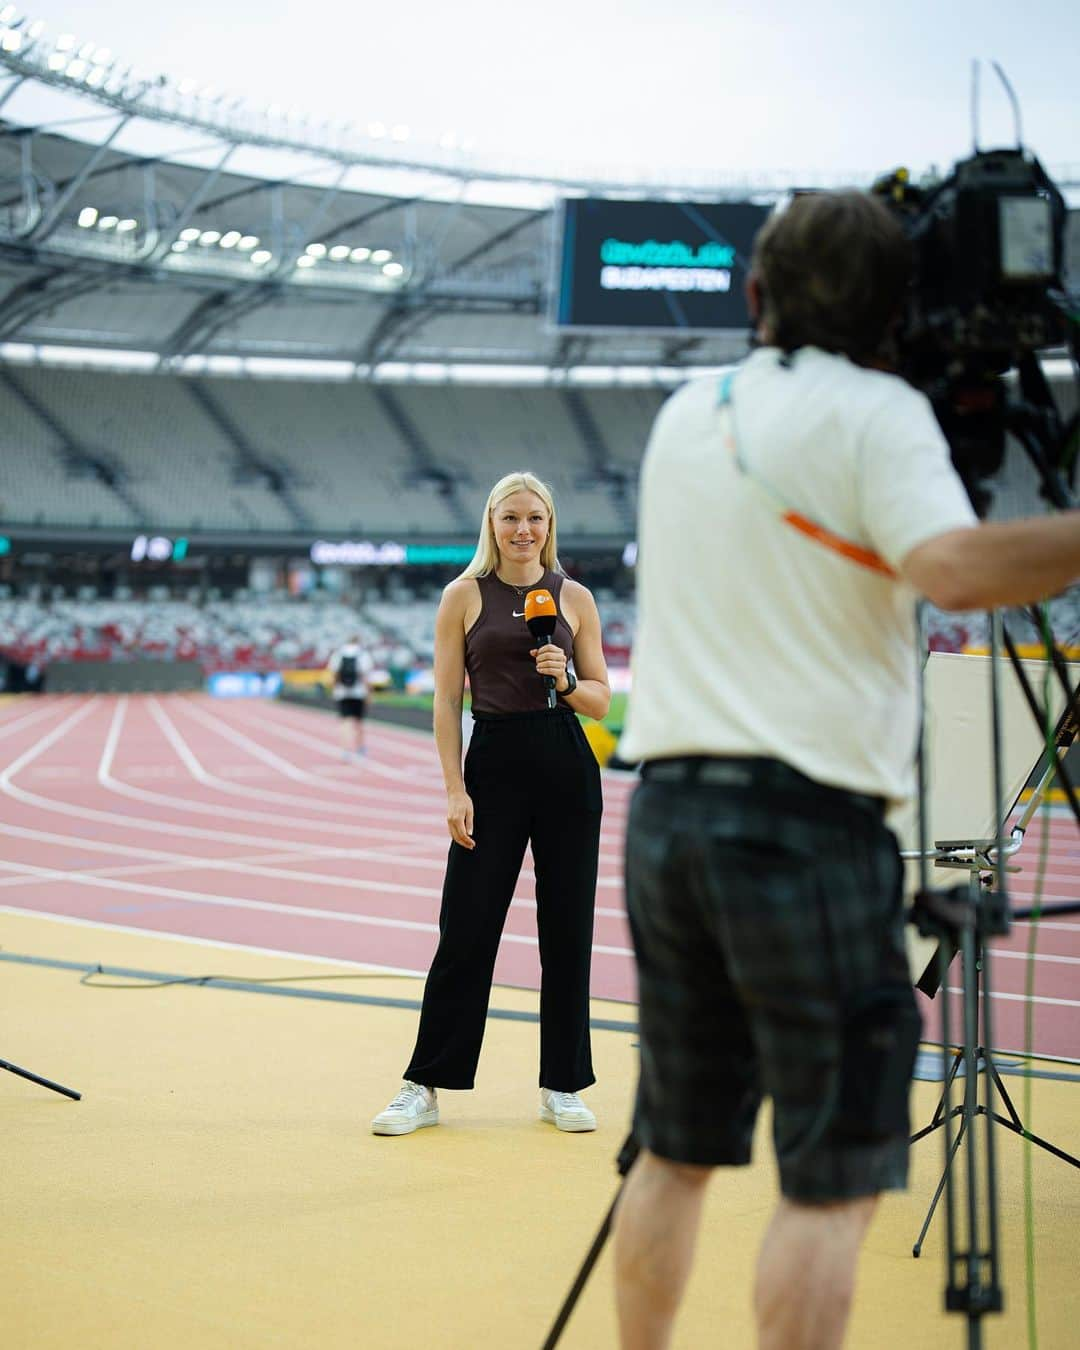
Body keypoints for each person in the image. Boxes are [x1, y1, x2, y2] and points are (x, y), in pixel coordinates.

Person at [612, 190, 1080, 1350]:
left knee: (673, 1149)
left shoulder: (684, 412)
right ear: (896, 312)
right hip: (804, 831)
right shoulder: (878, 413)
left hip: (666, 819)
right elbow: (954, 568)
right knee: (827, 1180)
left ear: (758, 296)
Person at [372, 471, 611, 1136]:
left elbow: (600, 697)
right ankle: (423, 1084)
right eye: (510, 518)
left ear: (549, 525)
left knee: (568, 934)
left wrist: (564, 679)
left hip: (566, 765)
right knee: (467, 930)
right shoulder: (462, 596)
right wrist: (455, 788)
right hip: (494, 764)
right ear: (492, 524)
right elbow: (446, 702)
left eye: (534, 517)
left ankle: (563, 1084)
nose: (523, 530)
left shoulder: (575, 599)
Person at [327, 632, 373, 760]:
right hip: (359, 693)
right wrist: (369, 694)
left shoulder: (338, 654)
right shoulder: (363, 654)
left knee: (345, 722)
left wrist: (334, 690)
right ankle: (360, 749)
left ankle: (345, 750)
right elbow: (365, 677)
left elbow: (334, 675)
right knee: (359, 722)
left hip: (341, 693)